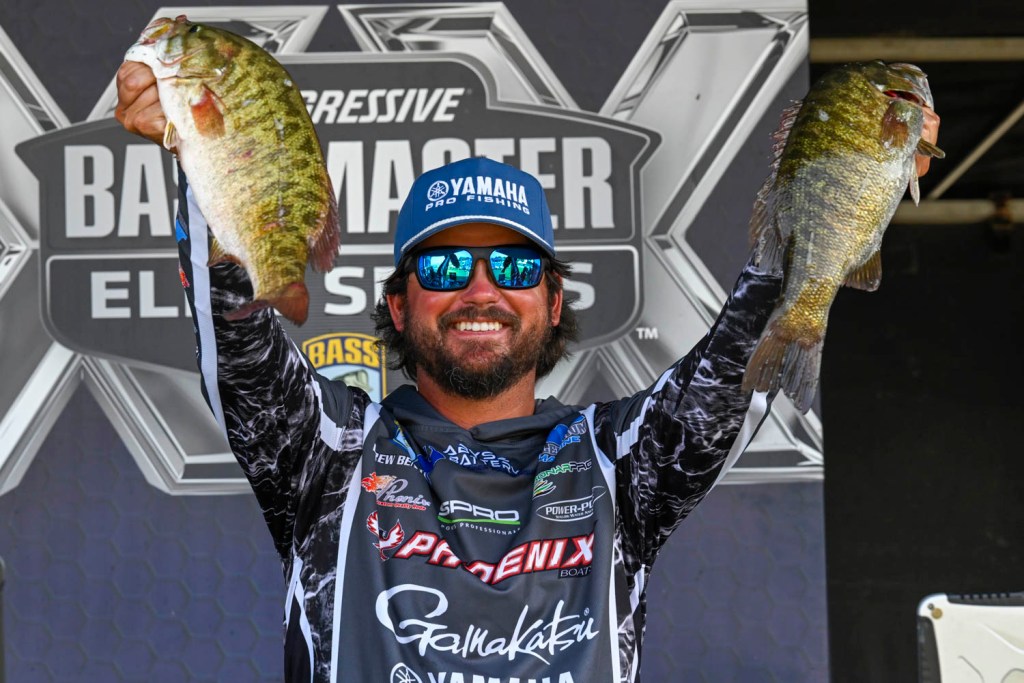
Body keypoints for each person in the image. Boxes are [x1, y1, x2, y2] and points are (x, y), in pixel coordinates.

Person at [115, 61, 939, 683]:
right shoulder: (329, 453)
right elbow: (234, 326)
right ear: (397, 304)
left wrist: (862, 162)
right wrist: (197, 138)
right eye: (444, 268)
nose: (481, 291)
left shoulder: (618, 461)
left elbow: (742, 351)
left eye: (513, 267)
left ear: (551, 300)